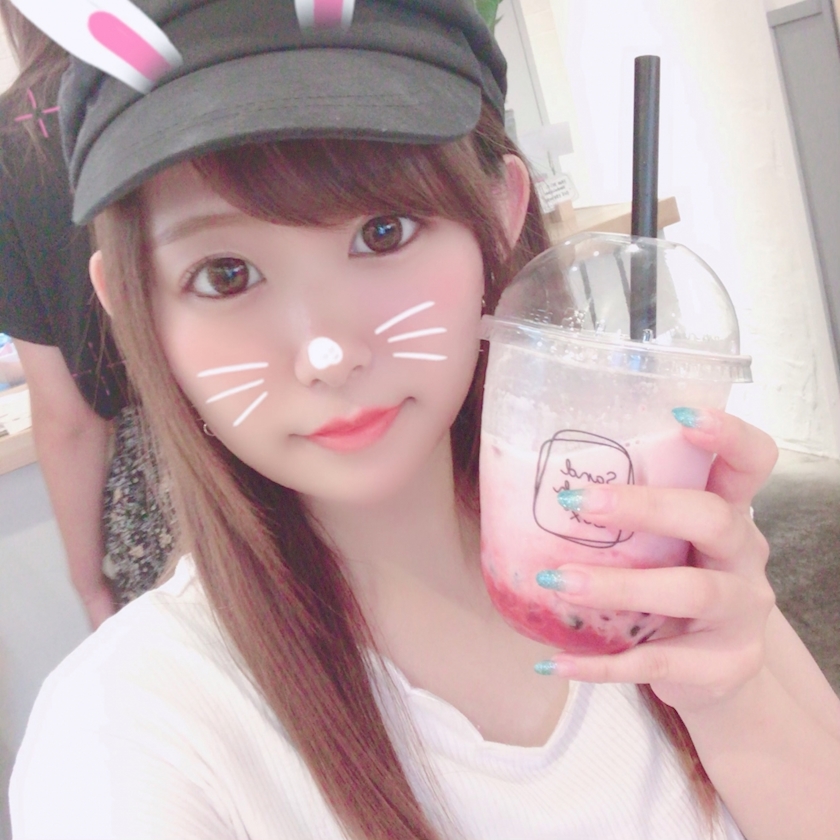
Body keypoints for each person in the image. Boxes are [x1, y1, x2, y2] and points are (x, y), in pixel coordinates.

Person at [8, 1, 840, 838]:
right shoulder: (125, 736)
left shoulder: (647, 541)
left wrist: (734, 699)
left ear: (501, 212)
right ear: (132, 307)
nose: (328, 352)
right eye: (226, 274)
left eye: (383, 231)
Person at [0, 0, 174, 626]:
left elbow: (68, 416)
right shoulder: (207, 54)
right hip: (277, 423)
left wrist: (88, 583)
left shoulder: (10, 142)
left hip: (159, 486)